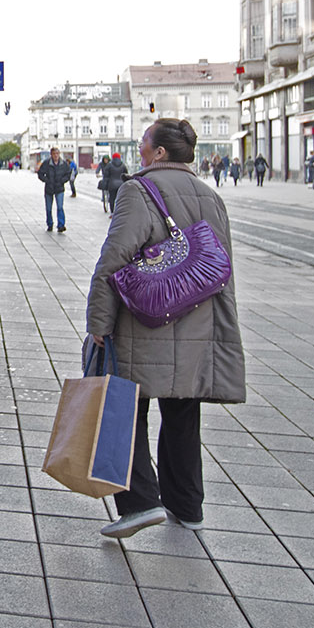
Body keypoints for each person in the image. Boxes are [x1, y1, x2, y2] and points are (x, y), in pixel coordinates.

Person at [86, 118, 245, 538]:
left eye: (144, 143)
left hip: (146, 321)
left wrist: (99, 322)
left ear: (160, 153)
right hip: (196, 322)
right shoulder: (211, 197)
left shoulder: (138, 191)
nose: (139, 148)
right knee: (182, 410)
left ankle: (140, 503)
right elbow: (220, 270)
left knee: (126, 408)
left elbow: (113, 259)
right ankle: (187, 504)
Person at [36, 147, 71, 231]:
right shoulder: (47, 163)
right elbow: (40, 173)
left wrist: (63, 181)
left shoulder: (63, 164)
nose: (56, 155)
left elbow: (68, 173)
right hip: (49, 188)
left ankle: (61, 225)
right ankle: (50, 223)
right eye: (54, 154)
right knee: (48, 208)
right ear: (51, 154)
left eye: (57, 154)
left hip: (59, 188)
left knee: (60, 207)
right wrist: (46, 180)